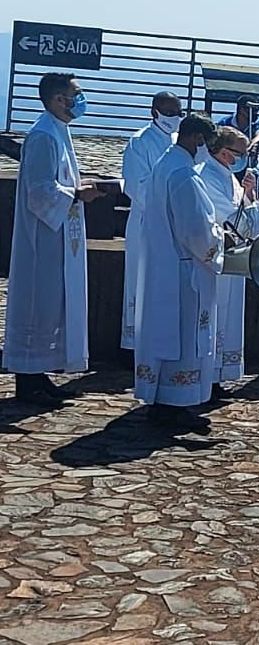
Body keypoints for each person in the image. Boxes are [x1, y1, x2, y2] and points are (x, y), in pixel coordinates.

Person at [3, 73, 102, 404]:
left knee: (52, 306)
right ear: (60, 100)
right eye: (77, 94)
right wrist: (76, 193)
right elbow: (39, 191)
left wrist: (79, 183)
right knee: (37, 304)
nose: (82, 100)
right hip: (41, 241)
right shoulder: (43, 136)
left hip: (60, 236)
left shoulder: (59, 130)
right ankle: (27, 379)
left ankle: (40, 373)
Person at [133, 113, 228, 429]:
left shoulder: (164, 165)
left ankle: (161, 397)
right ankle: (176, 400)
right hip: (185, 270)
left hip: (162, 263)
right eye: (206, 144)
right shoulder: (185, 176)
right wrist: (220, 239)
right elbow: (196, 231)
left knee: (164, 332)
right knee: (184, 335)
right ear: (198, 140)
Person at [197, 126, 259, 395]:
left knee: (229, 315)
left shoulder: (229, 176)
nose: (245, 157)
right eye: (242, 152)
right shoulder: (207, 175)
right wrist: (250, 205)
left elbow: (248, 218)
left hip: (235, 258)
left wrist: (249, 194)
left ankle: (219, 375)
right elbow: (231, 219)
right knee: (217, 314)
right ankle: (208, 375)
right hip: (216, 257)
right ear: (225, 152)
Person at [121, 91, 182, 351]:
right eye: (169, 113)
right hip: (148, 222)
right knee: (140, 280)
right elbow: (137, 186)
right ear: (154, 112)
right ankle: (133, 344)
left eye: (178, 113)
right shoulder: (139, 142)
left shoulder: (180, 141)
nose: (174, 119)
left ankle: (162, 340)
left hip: (176, 225)